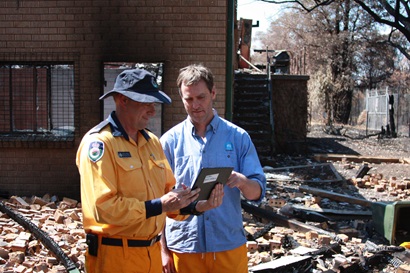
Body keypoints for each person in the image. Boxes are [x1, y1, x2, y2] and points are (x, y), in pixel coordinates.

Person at [76, 69, 202, 273]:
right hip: (115, 257)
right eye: (146, 103)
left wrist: (195, 206)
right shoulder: (99, 144)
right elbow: (104, 209)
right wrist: (158, 205)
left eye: (154, 104)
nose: (153, 111)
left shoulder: (152, 142)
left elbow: (167, 195)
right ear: (123, 100)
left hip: (150, 254)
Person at [160, 64, 267, 273]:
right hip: (183, 248)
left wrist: (242, 181)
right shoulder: (169, 142)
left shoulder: (238, 138)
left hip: (228, 246)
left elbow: (257, 193)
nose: (195, 105)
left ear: (214, 93)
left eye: (201, 97)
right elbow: (159, 201)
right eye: (188, 99)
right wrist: (163, 250)